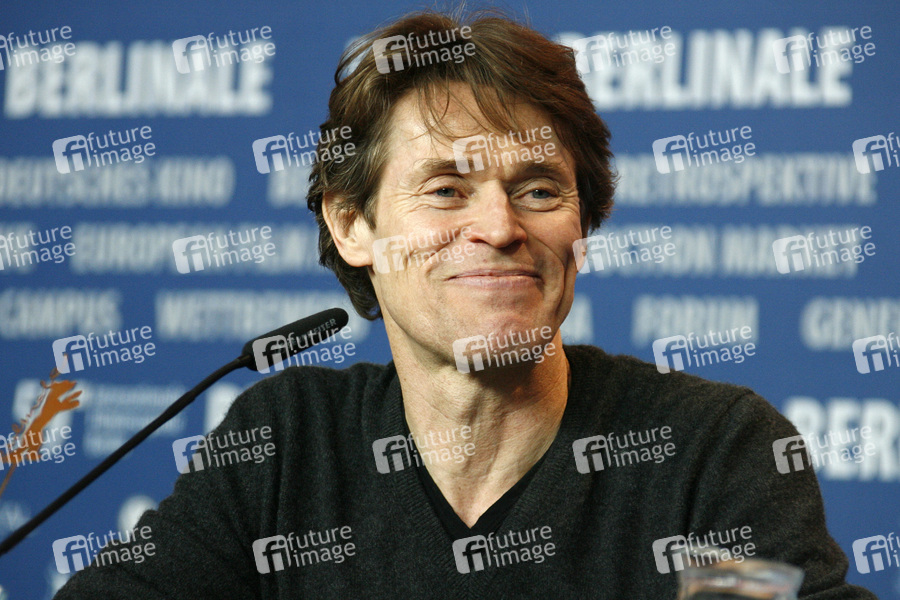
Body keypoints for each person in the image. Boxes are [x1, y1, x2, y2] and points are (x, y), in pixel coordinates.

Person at [57, 10, 876, 599]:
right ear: (352, 225)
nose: (501, 227)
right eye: (447, 190)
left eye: (539, 189)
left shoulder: (712, 449)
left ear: (582, 223)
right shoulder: (285, 440)